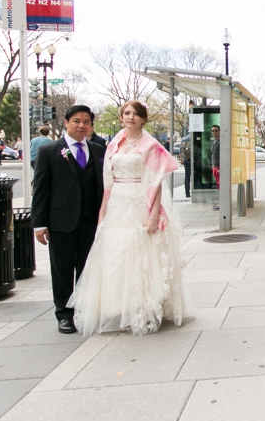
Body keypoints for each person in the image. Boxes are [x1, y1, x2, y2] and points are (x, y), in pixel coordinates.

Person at [68, 100, 194, 336]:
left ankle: (143, 307)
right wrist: (102, 212)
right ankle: (120, 305)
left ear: (143, 119)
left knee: (142, 255)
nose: (131, 117)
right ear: (121, 117)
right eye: (127, 113)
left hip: (140, 201)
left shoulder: (151, 145)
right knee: (117, 254)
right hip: (117, 202)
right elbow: (108, 180)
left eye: (136, 114)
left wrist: (154, 215)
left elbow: (156, 182)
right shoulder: (114, 143)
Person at [31, 106, 106, 334]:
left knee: (86, 268)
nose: (81, 125)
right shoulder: (50, 151)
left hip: (90, 221)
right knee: (62, 269)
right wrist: (39, 223)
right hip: (60, 220)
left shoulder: (98, 150)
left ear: (91, 125)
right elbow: (40, 189)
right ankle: (63, 313)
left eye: (86, 121)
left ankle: (83, 310)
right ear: (66, 123)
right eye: (76, 121)